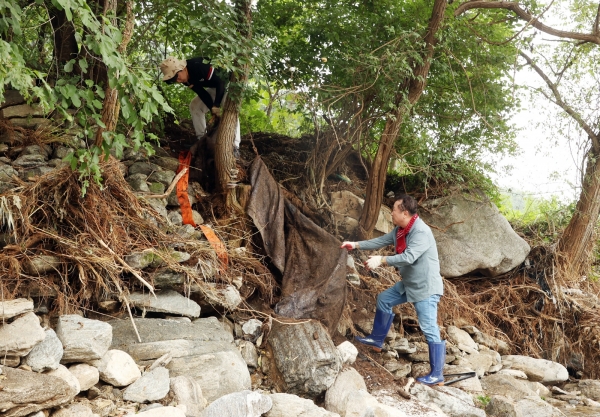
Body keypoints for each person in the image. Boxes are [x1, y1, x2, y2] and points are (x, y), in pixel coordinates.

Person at [340, 194, 445, 386]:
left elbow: (409, 257)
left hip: (425, 287)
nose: (391, 213)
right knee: (384, 299)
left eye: (394, 210)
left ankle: (437, 374)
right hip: (410, 283)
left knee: (429, 328)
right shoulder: (400, 230)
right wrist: (355, 245)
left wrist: (381, 260)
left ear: (404, 212)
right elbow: (380, 241)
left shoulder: (421, 232)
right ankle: (377, 341)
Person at [159, 56, 240, 157]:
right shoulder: (185, 79)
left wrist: (217, 105)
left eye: (176, 77)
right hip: (214, 87)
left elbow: (221, 82)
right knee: (195, 106)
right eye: (173, 80)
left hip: (227, 86)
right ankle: (202, 140)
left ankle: (235, 146)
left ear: (182, 68)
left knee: (229, 106)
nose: (177, 80)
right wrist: (212, 108)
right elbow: (202, 93)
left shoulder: (198, 66)